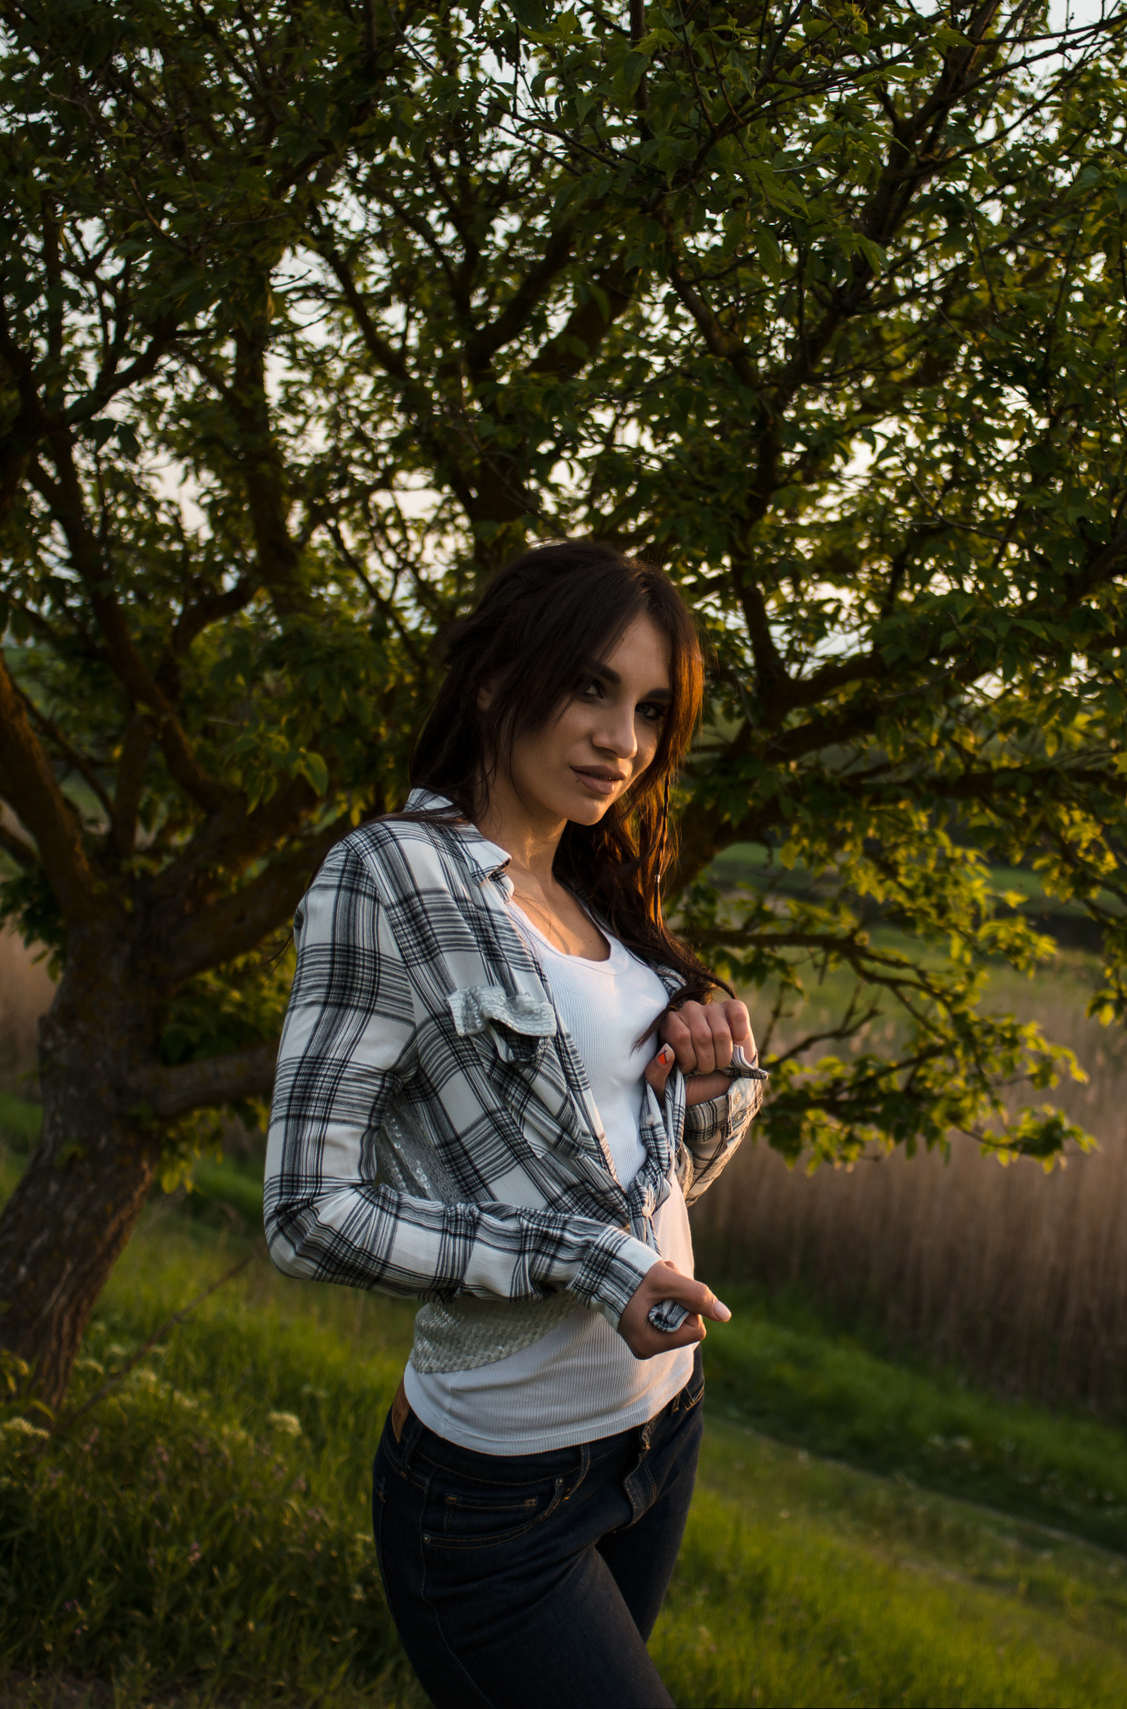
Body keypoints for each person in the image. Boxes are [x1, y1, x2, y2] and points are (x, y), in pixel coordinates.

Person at [263, 539, 766, 1709]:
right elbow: (306, 1212)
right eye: (591, 686)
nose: (621, 741)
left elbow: (643, 1194)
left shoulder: (599, 898)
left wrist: (710, 1089)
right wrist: (579, 1257)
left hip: (656, 1431)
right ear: (496, 677)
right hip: (496, 1490)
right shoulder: (387, 875)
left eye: (648, 711)